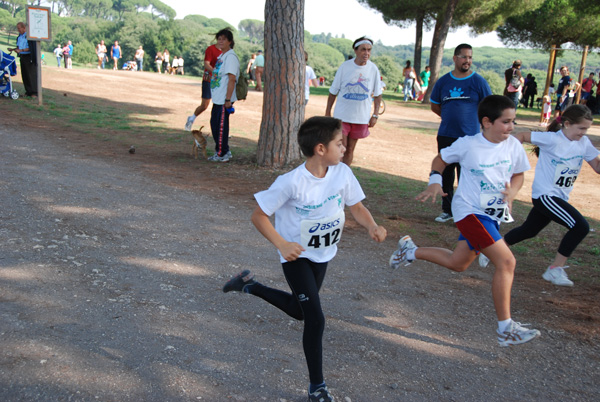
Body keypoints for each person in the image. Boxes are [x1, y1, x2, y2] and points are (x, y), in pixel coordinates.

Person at [223, 116, 387, 402]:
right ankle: (317, 387)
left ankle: (250, 285)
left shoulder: (342, 174)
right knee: (315, 319)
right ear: (320, 149)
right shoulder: (291, 182)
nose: (345, 148)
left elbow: (357, 207)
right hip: (295, 256)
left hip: (322, 255)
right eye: (340, 143)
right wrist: (282, 244)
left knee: (299, 310)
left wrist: (371, 225)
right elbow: (258, 215)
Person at [390, 94, 541, 347]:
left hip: (493, 215)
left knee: (458, 263)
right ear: (486, 122)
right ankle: (505, 329)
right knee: (506, 262)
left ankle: (410, 251)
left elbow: (518, 175)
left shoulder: (512, 145)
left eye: (513, 121)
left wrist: (513, 192)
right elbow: (441, 159)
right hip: (470, 212)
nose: (512, 127)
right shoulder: (468, 144)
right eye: (506, 122)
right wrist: (435, 181)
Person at [505, 105, 599, 287]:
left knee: (529, 230)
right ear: (567, 124)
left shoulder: (584, 143)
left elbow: (597, 167)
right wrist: (509, 151)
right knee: (581, 227)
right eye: (581, 128)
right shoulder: (552, 139)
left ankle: (491, 249)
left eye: (586, 129)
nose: (584, 133)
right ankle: (555, 269)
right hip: (545, 196)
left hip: (559, 197)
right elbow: (523, 136)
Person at [429, 43, 492, 223]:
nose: (467, 61)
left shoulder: (478, 81)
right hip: (446, 135)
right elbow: (435, 104)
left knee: (467, 176)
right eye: (464, 57)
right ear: (455, 58)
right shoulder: (444, 81)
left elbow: (488, 106)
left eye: (470, 57)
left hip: (470, 137)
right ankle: (447, 210)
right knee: (446, 174)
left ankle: (467, 211)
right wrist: (449, 117)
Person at [325, 36, 382, 166]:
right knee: (341, 147)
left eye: (369, 50)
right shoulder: (345, 67)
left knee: (350, 149)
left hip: (360, 117)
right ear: (356, 51)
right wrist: (328, 111)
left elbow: (378, 94)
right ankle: (336, 174)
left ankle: (345, 174)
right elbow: (333, 91)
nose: (366, 53)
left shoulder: (373, 69)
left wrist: (375, 114)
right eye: (363, 50)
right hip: (342, 116)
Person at [208, 28, 239, 162]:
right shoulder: (222, 56)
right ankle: (222, 150)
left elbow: (232, 78)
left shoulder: (230, 57)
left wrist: (228, 99)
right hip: (218, 98)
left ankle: (222, 153)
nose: (220, 41)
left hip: (224, 99)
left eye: (223, 39)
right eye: (219, 39)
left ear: (230, 42)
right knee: (214, 124)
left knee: (220, 127)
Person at [184, 43, 222, 131]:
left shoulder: (227, 52)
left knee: (220, 106)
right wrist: (216, 72)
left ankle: (220, 129)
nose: (222, 41)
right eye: (220, 38)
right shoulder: (211, 49)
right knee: (205, 105)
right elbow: (206, 64)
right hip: (208, 79)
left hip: (220, 81)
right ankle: (191, 119)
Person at [8, 22, 37, 97]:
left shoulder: (29, 36)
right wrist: (13, 49)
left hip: (29, 57)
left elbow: (31, 48)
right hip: (22, 57)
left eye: (19, 28)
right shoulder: (19, 37)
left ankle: (34, 92)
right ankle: (28, 91)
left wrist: (21, 50)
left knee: (31, 74)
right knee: (24, 75)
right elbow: (19, 47)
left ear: (24, 28)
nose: (18, 30)